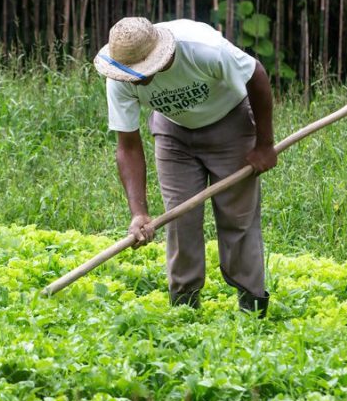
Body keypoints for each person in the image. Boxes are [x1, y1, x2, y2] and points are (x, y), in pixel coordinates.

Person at [94, 16, 276, 317]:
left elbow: (255, 74)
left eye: (143, 71)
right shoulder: (120, 73)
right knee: (179, 219)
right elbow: (127, 145)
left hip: (229, 122)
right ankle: (184, 309)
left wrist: (264, 144)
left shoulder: (203, 49)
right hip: (173, 132)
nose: (137, 78)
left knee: (237, 218)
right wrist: (138, 212)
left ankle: (252, 307)